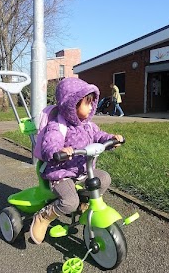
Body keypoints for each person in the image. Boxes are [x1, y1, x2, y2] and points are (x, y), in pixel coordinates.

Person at [30, 77, 124, 245]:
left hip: (82, 170)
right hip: (61, 173)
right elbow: (49, 144)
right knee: (69, 202)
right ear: (71, 104)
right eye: (87, 103)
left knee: (104, 178)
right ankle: (44, 217)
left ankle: (84, 204)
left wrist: (111, 139)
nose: (91, 107)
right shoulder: (57, 125)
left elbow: (99, 135)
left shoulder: (87, 125)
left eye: (91, 103)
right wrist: (58, 151)